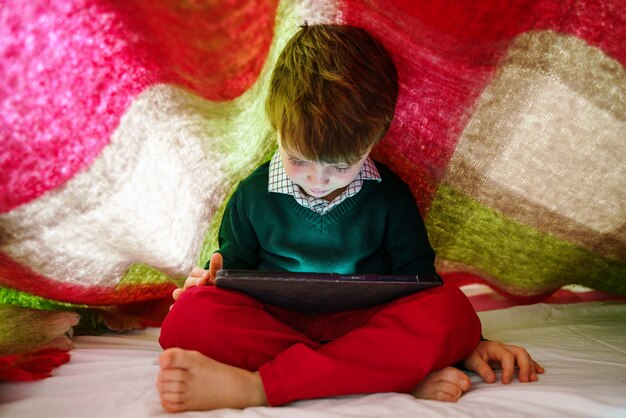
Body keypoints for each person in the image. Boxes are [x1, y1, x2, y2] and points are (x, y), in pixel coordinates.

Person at [157, 24, 543, 413]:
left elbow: (421, 284)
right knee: (187, 316)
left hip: (363, 324)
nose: (318, 180)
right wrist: (209, 281)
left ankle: (260, 386)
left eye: (340, 166)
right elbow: (233, 272)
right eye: (299, 160)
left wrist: (469, 343)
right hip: (278, 324)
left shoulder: (390, 197)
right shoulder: (252, 195)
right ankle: (387, 374)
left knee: (453, 312)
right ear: (276, 128)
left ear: (375, 140)